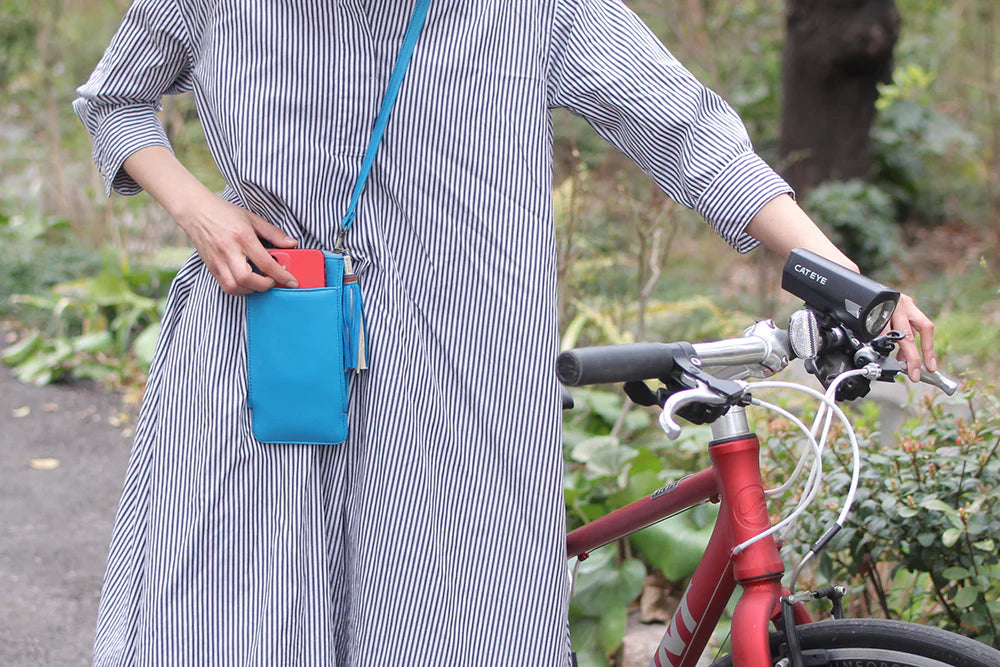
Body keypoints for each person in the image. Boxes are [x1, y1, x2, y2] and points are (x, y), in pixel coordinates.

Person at [74, 0, 936, 665]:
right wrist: (199, 209)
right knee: (238, 622)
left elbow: (688, 134)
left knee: (455, 628)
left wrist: (845, 280)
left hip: (464, 376)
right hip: (264, 357)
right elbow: (115, 101)